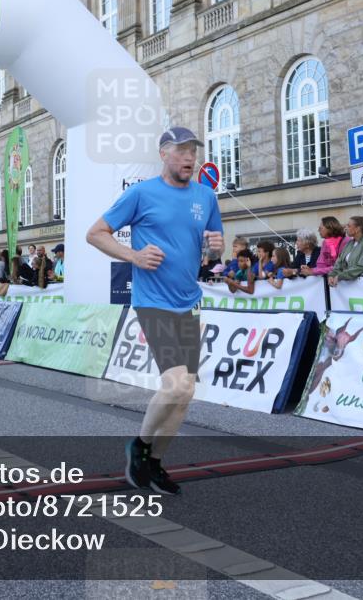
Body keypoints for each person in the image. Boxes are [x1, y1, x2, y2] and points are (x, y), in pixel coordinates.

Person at [86, 126, 223, 495]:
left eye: (193, 151)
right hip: (153, 302)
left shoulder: (205, 196)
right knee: (176, 384)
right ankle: (140, 445)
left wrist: (216, 248)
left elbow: (212, 254)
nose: (189, 159)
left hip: (189, 303)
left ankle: (156, 462)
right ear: (163, 153)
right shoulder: (141, 193)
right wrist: (133, 255)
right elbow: (96, 233)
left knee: (186, 392)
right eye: (181, 152)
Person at [327, 216, 363, 287]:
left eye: (349, 226)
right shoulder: (349, 244)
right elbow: (339, 263)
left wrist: (341, 276)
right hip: (348, 287)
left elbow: (362, 267)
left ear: (357, 229)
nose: (345, 228)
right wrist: (332, 275)